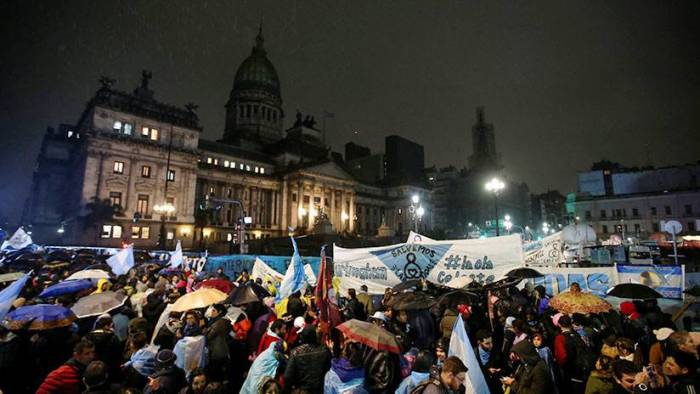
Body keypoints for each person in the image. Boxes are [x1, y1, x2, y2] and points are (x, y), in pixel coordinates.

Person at [283, 327, 331, 393]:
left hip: (303, 390)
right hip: (321, 389)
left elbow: (288, 376)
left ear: (302, 337)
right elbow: (330, 369)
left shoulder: (295, 352)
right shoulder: (325, 349)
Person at [204, 304, 231, 381]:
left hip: (217, 351)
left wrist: (203, 328)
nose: (211, 312)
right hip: (222, 350)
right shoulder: (221, 321)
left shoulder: (218, 323)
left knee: (216, 373)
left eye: (213, 310)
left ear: (219, 312)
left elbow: (208, 336)